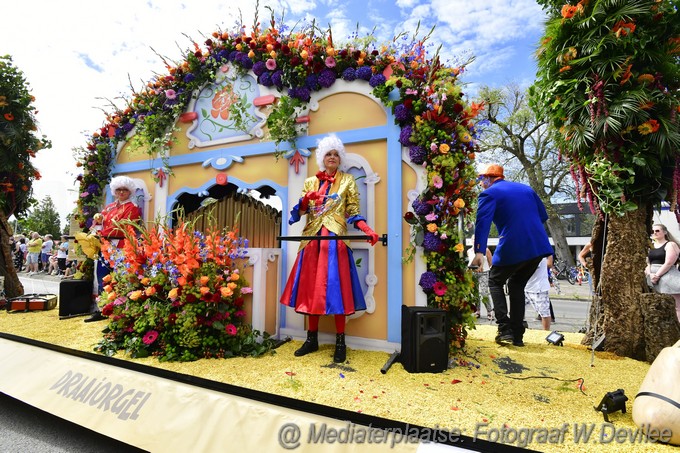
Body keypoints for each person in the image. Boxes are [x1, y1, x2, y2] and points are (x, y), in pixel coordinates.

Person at [280, 134, 379, 363]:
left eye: (336, 154)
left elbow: (353, 211)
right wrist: (307, 200)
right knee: (310, 291)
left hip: (335, 243)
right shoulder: (309, 182)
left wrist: (367, 230)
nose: (332, 157)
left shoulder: (348, 181)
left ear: (340, 158)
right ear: (322, 157)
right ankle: (311, 339)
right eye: (328, 154)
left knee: (337, 291)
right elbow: (299, 213)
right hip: (312, 241)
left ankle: (340, 341)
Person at [470, 164, 553, 347]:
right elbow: (542, 216)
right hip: (538, 247)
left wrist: (478, 252)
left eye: (481, 180)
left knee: (495, 281)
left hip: (514, 244)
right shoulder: (526, 189)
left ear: (489, 179)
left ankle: (504, 328)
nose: (481, 184)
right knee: (517, 284)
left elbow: (482, 224)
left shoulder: (489, 194)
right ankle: (517, 335)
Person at [86, 175, 142, 322]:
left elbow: (123, 228)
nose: (121, 192)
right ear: (114, 191)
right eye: (118, 190)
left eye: (124, 190)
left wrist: (102, 230)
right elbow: (98, 225)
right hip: (105, 246)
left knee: (120, 278)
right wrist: (97, 226)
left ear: (129, 191)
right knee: (102, 277)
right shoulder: (108, 207)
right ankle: (102, 308)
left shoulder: (133, 208)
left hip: (122, 247)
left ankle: (120, 310)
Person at [645, 223, 680, 322]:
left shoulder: (670, 244)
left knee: (677, 306)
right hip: (653, 278)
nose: (655, 233)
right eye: (653, 231)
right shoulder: (650, 246)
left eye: (657, 230)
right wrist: (649, 274)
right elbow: (647, 263)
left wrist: (657, 275)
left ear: (664, 232)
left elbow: (669, 262)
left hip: (668, 275)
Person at [525, 255, 556, 330]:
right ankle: (519, 328)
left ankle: (546, 332)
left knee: (544, 312)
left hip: (539, 287)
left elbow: (549, 263)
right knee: (518, 309)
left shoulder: (542, 248)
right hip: (525, 285)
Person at [467, 245, 494, 320]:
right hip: (472, 273)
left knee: (484, 292)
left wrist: (484, 268)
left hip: (484, 272)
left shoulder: (486, 250)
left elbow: (490, 262)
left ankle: (489, 311)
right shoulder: (469, 251)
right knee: (475, 293)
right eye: (473, 239)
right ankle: (477, 311)